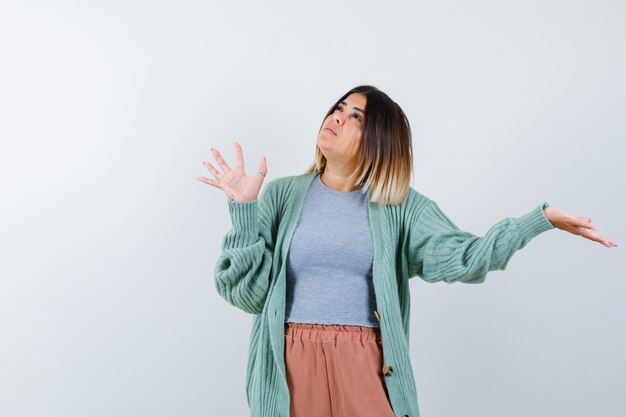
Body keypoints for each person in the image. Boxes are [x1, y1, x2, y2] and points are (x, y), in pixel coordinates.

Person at [196, 85, 617, 417]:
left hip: (366, 361)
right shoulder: (282, 195)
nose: (337, 118)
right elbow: (247, 295)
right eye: (338, 109)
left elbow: (466, 259)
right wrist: (244, 210)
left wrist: (537, 220)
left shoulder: (402, 207)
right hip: (289, 359)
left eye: (355, 116)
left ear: (379, 139)